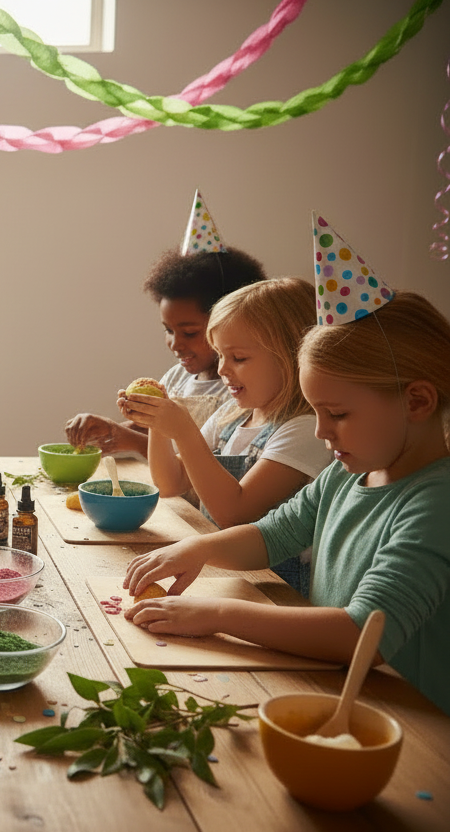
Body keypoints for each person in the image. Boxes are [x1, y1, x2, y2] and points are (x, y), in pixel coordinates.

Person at [124, 218, 450, 715]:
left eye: (337, 414)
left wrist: (218, 614)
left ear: (419, 401)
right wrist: (197, 548)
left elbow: (363, 632)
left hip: (411, 724)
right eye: (316, 412)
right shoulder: (348, 472)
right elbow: (271, 534)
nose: (320, 432)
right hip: (340, 694)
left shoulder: (436, 504)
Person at [125, 278, 333, 595]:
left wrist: (183, 429)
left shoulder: (306, 428)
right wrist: (156, 420)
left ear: (291, 357)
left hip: (275, 591)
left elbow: (234, 513)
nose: (222, 369)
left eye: (238, 358)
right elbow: (170, 483)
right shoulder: (231, 417)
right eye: (220, 355)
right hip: (224, 575)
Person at [66, 191, 267, 456]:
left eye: (189, 332)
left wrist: (127, 439)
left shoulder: (239, 390)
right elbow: (156, 432)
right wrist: (111, 429)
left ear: (231, 323)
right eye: (168, 330)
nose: (175, 344)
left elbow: (197, 462)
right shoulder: (176, 378)